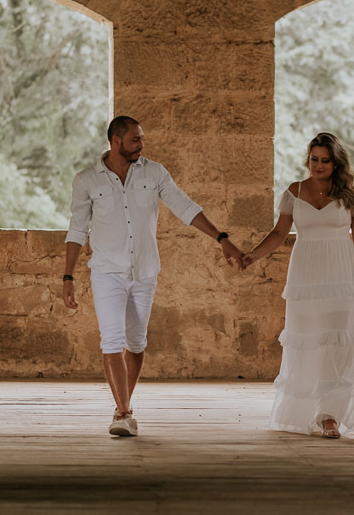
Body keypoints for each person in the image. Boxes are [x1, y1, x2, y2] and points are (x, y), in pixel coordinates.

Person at [63, 116, 244, 437]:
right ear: (115, 141)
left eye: (141, 139)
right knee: (112, 340)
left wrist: (222, 238)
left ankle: (123, 405)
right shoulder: (87, 180)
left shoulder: (154, 172)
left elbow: (186, 207)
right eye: (135, 140)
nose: (141, 145)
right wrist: (68, 276)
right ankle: (123, 412)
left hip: (145, 272)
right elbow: (77, 230)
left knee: (135, 344)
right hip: (107, 273)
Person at [242, 132, 354, 439]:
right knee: (309, 341)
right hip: (306, 274)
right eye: (314, 159)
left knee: (337, 343)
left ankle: (329, 415)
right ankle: (310, 410)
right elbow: (279, 234)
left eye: (325, 161)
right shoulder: (294, 191)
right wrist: (253, 255)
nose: (318, 166)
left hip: (342, 274)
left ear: (336, 162)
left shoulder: (350, 195)